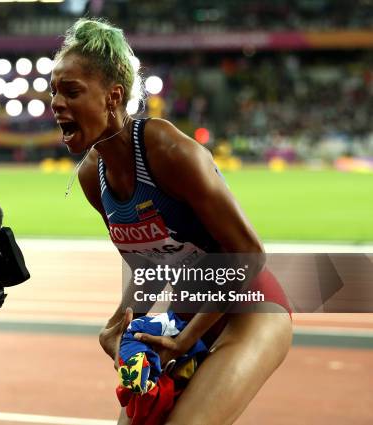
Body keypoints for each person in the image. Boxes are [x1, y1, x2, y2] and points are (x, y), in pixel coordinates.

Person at [50, 19, 292, 424]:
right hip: (182, 314)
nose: (56, 103)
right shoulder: (93, 177)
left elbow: (249, 254)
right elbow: (148, 268)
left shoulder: (168, 151)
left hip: (252, 308)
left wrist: (185, 340)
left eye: (71, 91)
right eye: (53, 90)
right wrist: (121, 324)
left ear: (113, 98)